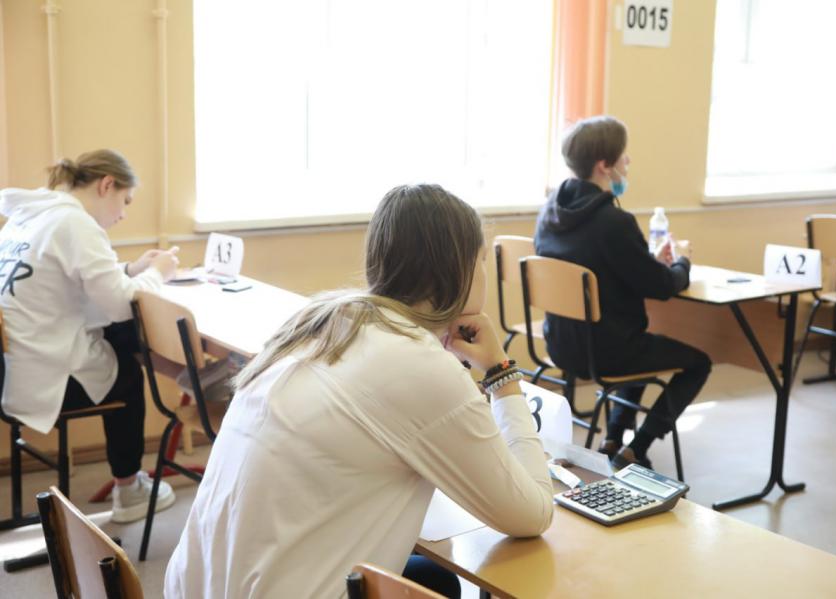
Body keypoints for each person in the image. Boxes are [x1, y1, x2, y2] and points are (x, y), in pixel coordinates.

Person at [164, 184, 553, 599]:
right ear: (459, 270)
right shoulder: (418, 364)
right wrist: (501, 375)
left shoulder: (317, 321)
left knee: (431, 577)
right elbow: (532, 513)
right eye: (481, 260)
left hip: (194, 587)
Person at [0, 149, 181, 522]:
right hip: (41, 376)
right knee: (127, 367)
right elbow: (120, 304)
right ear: (107, 185)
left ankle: (191, 380)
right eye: (125, 201)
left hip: (10, 369)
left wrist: (131, 269)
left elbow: (74, 280)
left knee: (119, 335)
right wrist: (158, 272)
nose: (123, 214)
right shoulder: (76, 224)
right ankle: (129, 489)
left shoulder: (31, 217)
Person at [535, 115, 711, 470]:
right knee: (699, 363)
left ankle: (613, 439)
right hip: (607, 352)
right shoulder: (613, 222)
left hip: (561, 344)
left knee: (638, 339)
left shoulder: (550, 214)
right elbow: (661, 287)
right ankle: (636, 447)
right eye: (623, 156)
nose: (627, 162)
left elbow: (604, 266)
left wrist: (647, 261)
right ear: (604, 165)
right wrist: (682, 263)